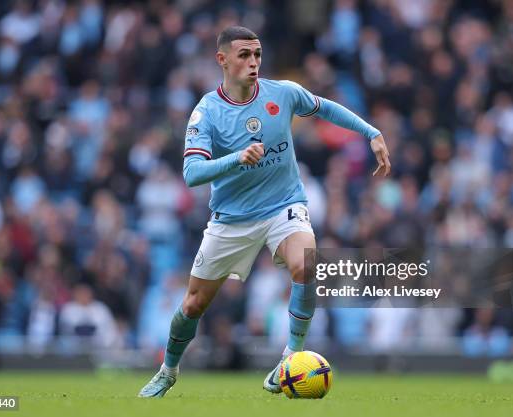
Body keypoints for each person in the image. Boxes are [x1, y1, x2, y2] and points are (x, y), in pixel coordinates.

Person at [138, 26, 390, 398]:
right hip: (232, 219)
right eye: (244, 55)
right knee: (193, 305)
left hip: (283, 205)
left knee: (307, 262)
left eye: (257, 54)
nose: (253, 62)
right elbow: (192, 173)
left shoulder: (282, 93)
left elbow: (324, 107)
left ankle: (290, 357)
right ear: (222, 59)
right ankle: (168, 370)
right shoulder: (206, 112)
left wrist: (371, 132)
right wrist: (236, 159)